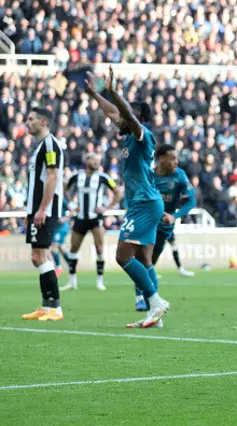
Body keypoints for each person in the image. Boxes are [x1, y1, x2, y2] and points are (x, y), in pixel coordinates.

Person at [86, 66, 169, 328]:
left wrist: (112, 91)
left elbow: (126, 115)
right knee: (145, 260)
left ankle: (155, 302)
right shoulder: (129, 138)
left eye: (125, 113)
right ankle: (154, 315)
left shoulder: (142, 136)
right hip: (145, 202)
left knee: (122, 256)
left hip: (144, 203)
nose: (117, 117)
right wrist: (96, 95)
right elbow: (113, 112)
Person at [132, 144, 196, 315]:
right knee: (143, 259)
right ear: (161, 159)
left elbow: (191, 201)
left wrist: (175, 216)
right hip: (147, 223)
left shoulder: (179, 176)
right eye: (172, 158)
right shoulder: (149, 176)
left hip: (165, 226)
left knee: (151, 262)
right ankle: (142, 298)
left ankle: (149, 298)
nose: (176, 162)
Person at [21, 107, 65, 321]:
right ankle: (47, 306)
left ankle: (55, 307)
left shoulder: (49, 145)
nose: (26, 123)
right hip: (37, 210)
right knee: (39, 256)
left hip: (44, 210)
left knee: (39, 255)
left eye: (31, 119)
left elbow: (52, 177)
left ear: (43, 121)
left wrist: (42, 209)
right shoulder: (40, 146)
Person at [61, 153, 123, 291]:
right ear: (86, 160)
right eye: (94, 160)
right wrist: (71, 204)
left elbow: (118, 193)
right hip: (81, 217)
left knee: (100, 248)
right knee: (73, 249)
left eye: (98, 160)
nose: (96, 162)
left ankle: (100, 280)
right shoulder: (77, 176)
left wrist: (107, 208)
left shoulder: (103, 177)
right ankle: (72, 281)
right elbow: (64, 188)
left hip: (96, 219)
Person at [51, 198, 72, 277]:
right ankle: (72, 264)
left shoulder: (61, 199)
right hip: (55, 227)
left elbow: (72, 210)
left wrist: (66, 218)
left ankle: (58, 267)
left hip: (62, 226)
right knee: (61, 247)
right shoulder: (48, 198)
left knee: (53, 246)